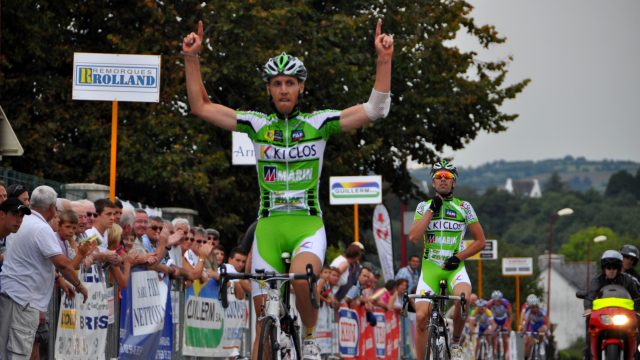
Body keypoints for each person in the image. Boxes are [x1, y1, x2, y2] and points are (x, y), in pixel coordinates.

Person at [183, 16, 393, 360]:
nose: (283, 89)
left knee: (301, 279)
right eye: (277, 83)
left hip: (306, 225)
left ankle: (309, 338)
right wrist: (192, 57)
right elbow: (200, 106)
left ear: (301, 88)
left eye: (290, 83)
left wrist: (383, 59)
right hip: (268, 228)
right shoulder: (255, 124)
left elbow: (375, 109)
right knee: (264, 317)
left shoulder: (318, 123)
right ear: (268, 88)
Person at [408, 160, 487, 360]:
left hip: (454, 269)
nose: (443, 180)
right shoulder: (423, 206)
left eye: (448, 177)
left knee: (463, 300)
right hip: (430, 270)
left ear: (454, 183)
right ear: (433, 183)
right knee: (420, 317)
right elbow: (414, 237)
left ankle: (455, 342)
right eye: (438, 177)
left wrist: (459, 257)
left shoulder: (464, 207)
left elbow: (480, 241)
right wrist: (430, 211)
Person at [0, 186, 87, 359]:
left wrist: (60, 280)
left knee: (8, 351)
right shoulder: (41, 228)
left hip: (14, 296)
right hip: (23, 300)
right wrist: (79, 285)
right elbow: (63, 264)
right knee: (17, 353)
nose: (18, 219)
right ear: (52, 207)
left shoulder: (24, 223)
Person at [582, 250, 640, 360]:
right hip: (601, 315)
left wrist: (637, 309)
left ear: (618, 269)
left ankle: (637, 353)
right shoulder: (597, 280)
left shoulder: (627, 280)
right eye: (608, 268)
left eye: (614, 268)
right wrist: (588, 308)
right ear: (604, 268)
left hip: (623, 314)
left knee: (637, 326)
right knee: (588, 320)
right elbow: (590, 296)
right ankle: (588, 353)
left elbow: (636, 297)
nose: (611, 271)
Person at [519, 295, 548, 360]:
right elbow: (525, 321)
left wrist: (547, 331)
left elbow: (546, 321)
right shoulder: (528, 310)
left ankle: (540, 343)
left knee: (541, 331)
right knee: (527, 342)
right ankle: (526, 357)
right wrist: (523, 329)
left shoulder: (542, 310)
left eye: (536, 307)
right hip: (532, 324)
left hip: (541, 324)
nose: (534, 309)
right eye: (532, 307)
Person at [487, 290, 512, 359]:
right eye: (495, 301)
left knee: (505, 337)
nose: (497, 302)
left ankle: (504, 353)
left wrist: (509, 326)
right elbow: (487, 315)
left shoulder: (506, 303)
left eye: (499, 300)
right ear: (493, 300)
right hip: (495, 319)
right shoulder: (489, 304)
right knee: (493, 334)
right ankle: (493, 351)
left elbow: (510, 315)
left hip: (504, 319)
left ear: (501, 299)